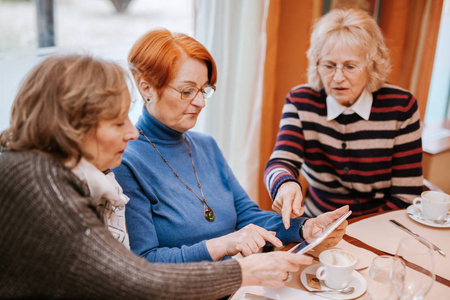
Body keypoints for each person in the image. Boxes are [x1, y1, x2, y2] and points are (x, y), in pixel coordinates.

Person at [0, 54, 313, 299]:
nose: (132, 131)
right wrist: (241, 271)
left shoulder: (49, 170)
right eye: (116, 121)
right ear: (71, 125)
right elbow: (134, 279)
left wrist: (304, 228)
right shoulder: (41, 184)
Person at [113, 28, 348, 264]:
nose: (201, 102)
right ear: (147, 89)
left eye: (204, 89)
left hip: (236, 283)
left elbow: (247, 216)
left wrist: (305, 228)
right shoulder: (125, 162)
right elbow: (144, 263)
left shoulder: (207, 146)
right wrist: (224, 244)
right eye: (187, 91)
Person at [264, 8, 423, 228]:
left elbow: (406, 194)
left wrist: (358, 231)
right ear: (317, 64)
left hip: (380, 224)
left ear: (372, 66)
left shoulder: (401, 106)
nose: (338, 78)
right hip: (316, 222)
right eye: (329, 66)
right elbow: (281, 161)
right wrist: (285, 184)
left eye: (350, 66)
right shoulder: (301, 101)